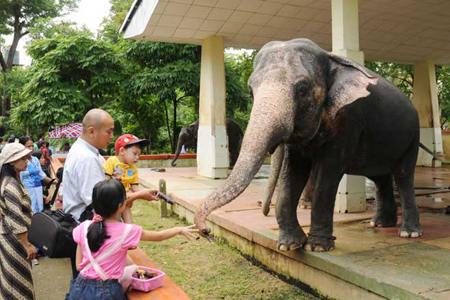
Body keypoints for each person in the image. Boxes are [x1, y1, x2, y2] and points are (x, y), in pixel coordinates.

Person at [63, 109, 160, 280]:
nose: (112, 136)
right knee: (91, 281)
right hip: (89, 228)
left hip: (86, 228)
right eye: (109, 131)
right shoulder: (87, 159)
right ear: (92, 131)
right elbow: (100, 202)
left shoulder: (90, 154)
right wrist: (138, 195)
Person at [67, 179, 198, 300]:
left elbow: (79, 265)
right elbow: (159, 236)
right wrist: (179, 230)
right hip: (107, 292)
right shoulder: (127, 231)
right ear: (121, 205)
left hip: (79, 287)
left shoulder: (83, 227)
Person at [0, 143, 38, 300]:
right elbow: (15, 216)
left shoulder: (12, 180)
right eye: (21, 158)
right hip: (14, 239)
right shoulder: (10, 185)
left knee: (14, 277)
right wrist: (27, 244)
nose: (26, 161)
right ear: (11, 162)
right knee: (16, 279)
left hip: (11, 236)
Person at [104, 134, 150, 223]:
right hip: (113, 199)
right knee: (114, 224)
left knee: (130, 224)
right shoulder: (112, 162)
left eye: (139, 155)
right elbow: (105, 180)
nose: (137, 158)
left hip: (126, 201)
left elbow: (135, 187)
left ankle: (131, 233)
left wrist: (146, 192)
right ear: (122, 151)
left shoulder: (133, 169)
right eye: (135, 154)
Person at [19, 137, 56, 214]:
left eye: (32, 146)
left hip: (38, 190)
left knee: (39, 212)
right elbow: (19, 179)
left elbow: (42, 176)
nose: (31, 148)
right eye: (28, 146)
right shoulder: (20, 161)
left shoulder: (35, 159)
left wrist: (56, 182)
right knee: (29, 212)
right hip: (27, 191)